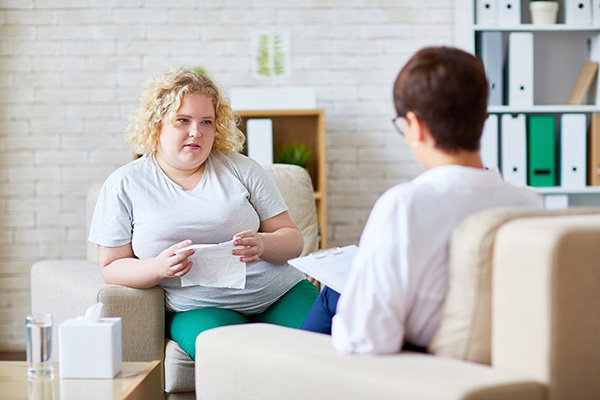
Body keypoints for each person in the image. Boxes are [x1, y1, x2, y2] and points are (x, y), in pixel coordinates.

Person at [301, 46, 543, 355]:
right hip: (498, 355)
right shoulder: (527, 203)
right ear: (482, 117)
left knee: (333, 294)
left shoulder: (405, 205)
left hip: (421, 362)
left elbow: (365, 340)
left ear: (414, 126)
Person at [88, 67, 319, 360]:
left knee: (327, 349)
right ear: (156, 123)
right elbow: (111, 266)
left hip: (279, 294)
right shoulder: (125, 183)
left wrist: (263, 244)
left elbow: (293, 240)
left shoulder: (242, 168)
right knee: (232, 359)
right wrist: (159, 267)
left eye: (206, 122)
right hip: (200, 307)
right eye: (182, 120)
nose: (196, 131)